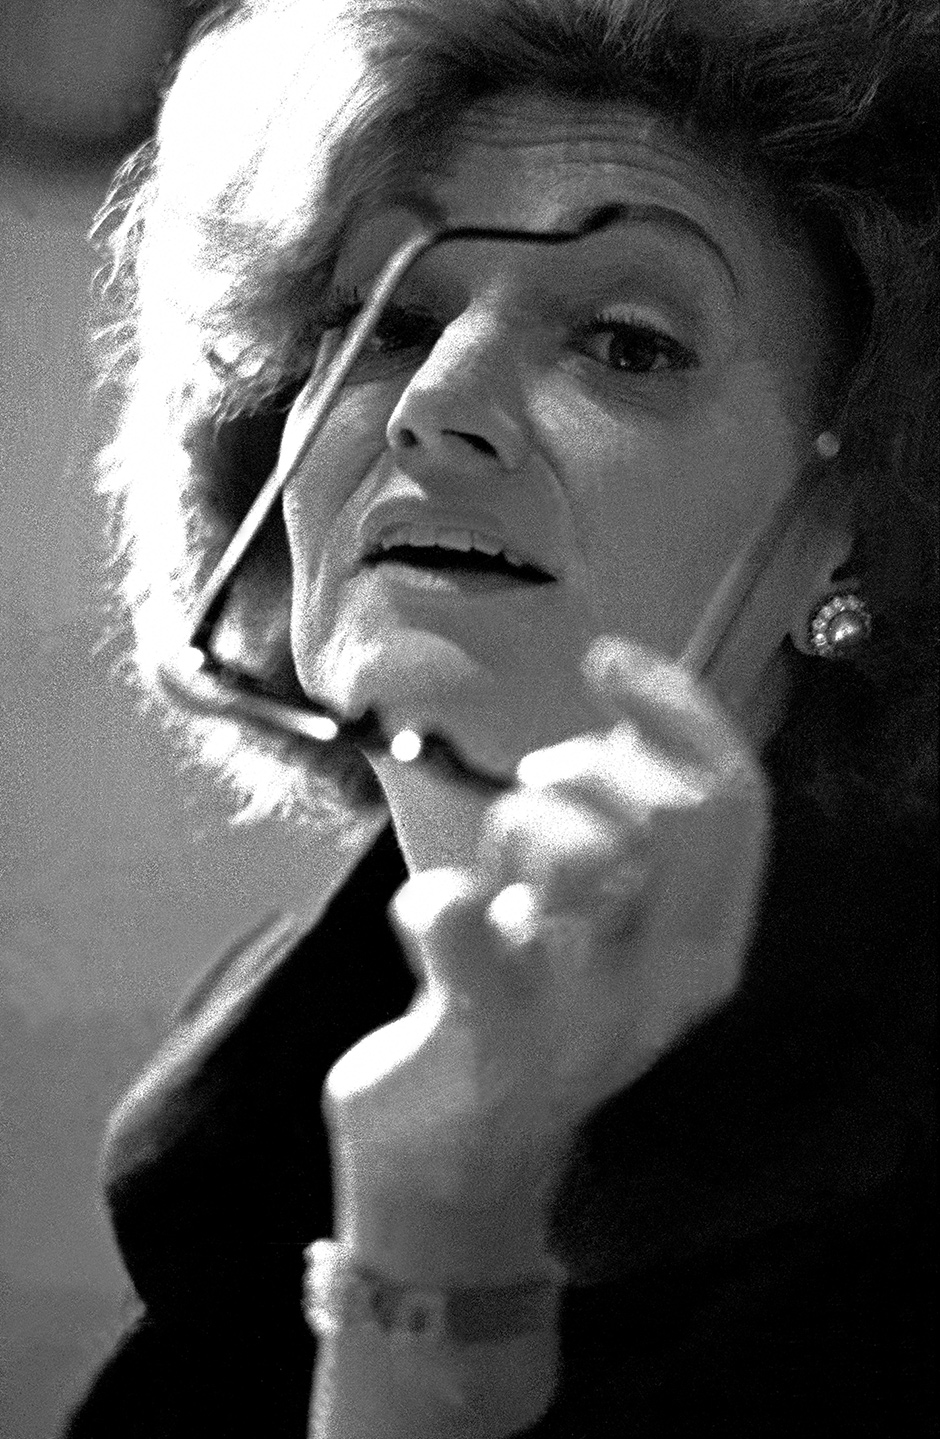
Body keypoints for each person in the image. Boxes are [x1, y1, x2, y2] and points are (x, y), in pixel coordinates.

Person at [63, 0, 936, 1434]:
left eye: (626, 343)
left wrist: (444, 1218)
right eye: (392, 321)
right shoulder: (249, 1116)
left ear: (864, 521)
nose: (436, 401)